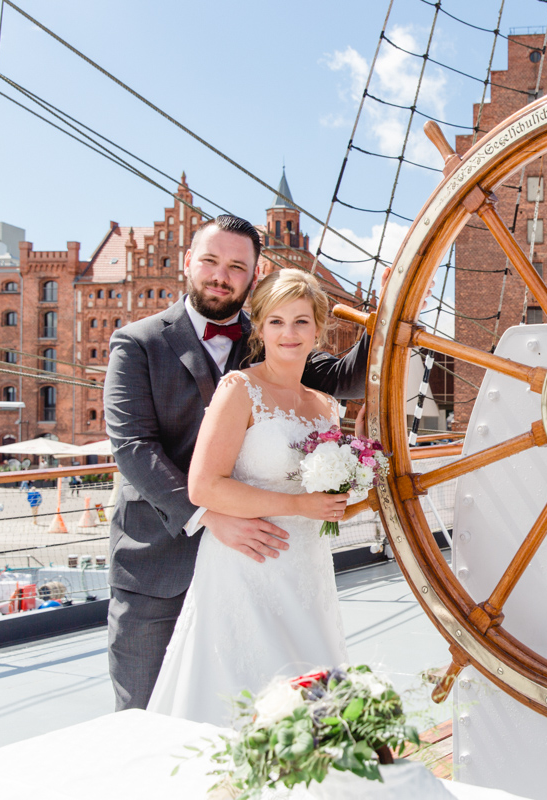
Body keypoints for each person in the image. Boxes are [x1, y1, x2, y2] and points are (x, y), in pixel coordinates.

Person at [104, 215, 368, 712]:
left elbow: (344, 380)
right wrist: (207, 513)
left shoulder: (273, 331)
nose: (220, 275)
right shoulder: (138, 342)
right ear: (188, 261)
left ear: (254, 273)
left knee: (276, 705)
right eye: (209, 261)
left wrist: (391, 314)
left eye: (236, 266)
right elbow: (133, 447)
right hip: (158, 561)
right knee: (146, 714)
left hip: (262, 564)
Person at [147, 268, 354, 725]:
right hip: (247, 563)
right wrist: (299, 505)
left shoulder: (326, 407)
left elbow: (326, 493)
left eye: (301, 321)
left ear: (319, 329)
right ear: (259, 329)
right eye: (276, 321)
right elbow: (204, 486)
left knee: (313, 683)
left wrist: (359, 486)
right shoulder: (239, 389)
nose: (289, 333)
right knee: (246, 689)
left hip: (308, 565)